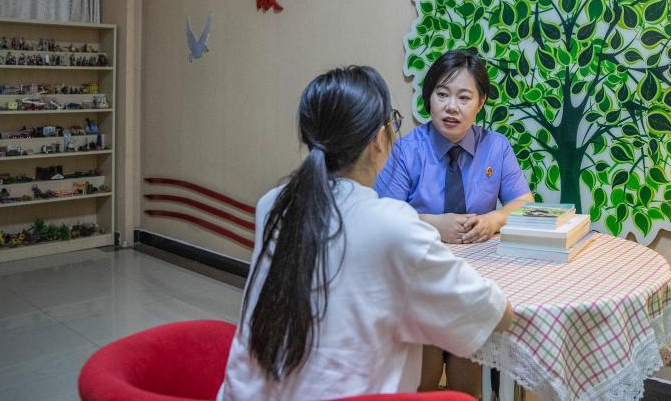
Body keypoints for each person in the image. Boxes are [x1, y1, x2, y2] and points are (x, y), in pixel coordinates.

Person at [218, 66, 513, 400]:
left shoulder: (273, 204)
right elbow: (494, 315)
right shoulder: (395, 225)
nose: (452, 106)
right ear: (378, 139)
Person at [374, 49, 534, 395]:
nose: (451, 107)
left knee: (467, 371)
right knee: (424, 373)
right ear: (428, 97)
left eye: (464, 97)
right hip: (420, 280)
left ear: (480, 102)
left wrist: (494, 219)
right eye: (442, 94)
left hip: (476, 281)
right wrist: (434, 224)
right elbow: (381, 216)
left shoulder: (496, 148)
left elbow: (524, 203)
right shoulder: (406, 151)